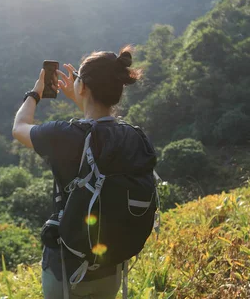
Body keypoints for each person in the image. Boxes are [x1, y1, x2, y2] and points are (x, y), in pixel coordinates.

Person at [12, 46, 157, 299]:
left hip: (66, 270)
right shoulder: (134, 137)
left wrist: (35, 93)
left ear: (83, 87)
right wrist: (82, 95)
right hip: (111, 266)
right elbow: (98, 126)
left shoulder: (63, 135)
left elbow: (19, 127)